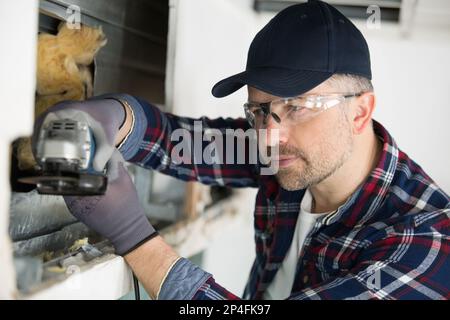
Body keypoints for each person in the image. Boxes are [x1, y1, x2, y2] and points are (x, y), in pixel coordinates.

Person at [33, 0, 450, 300]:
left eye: (297, 108)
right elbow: (182, 142)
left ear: (360, 112)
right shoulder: (291, 154)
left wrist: (134, 238)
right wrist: (113, 118)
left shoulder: (425, 245)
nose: (268, 135)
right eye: (259, 111)